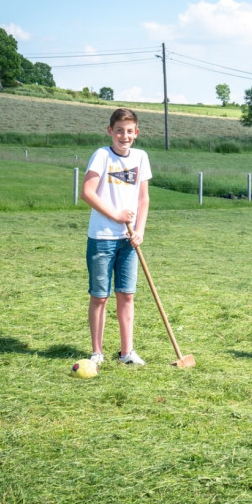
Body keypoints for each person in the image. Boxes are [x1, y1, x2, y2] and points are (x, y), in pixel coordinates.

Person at [81, 108, 152, 366]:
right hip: (102, 237)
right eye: (119, 130)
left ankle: (126, 353)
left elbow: (144, 198)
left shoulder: (141, 157)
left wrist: (140, 229)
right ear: (110, 131)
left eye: (129, 131)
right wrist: (116, 215)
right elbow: (87, 192)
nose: (124, 136)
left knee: (127, 294)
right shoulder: (101, 156)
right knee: (100, 296)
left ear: (137, 133)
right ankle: (97, 352)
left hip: (129, 240)